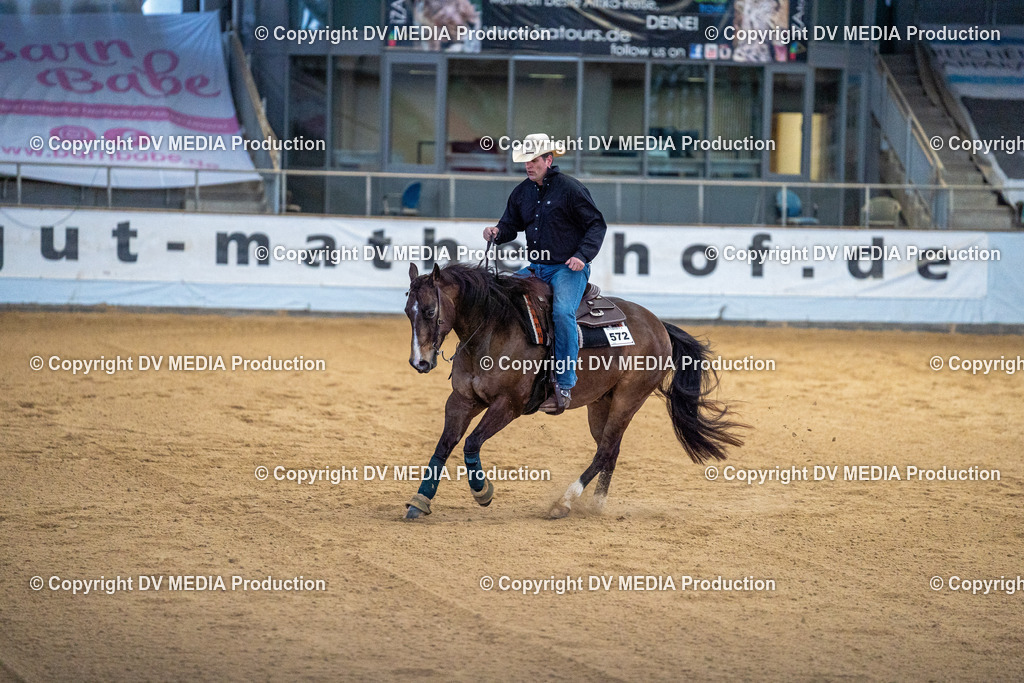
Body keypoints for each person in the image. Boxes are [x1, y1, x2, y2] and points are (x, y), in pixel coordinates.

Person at [483, 133, 607, 414]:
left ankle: (564, 383)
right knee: (500, 296)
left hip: (567, 269)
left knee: (563, 312)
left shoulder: (571, 189)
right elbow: (510, 224)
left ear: (548, 160)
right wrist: (497, 232)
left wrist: (581, 256)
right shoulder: (521, 192)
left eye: (534, 160)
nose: (529, 165)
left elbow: (596, 226)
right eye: (525, 161)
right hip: (536, 268)